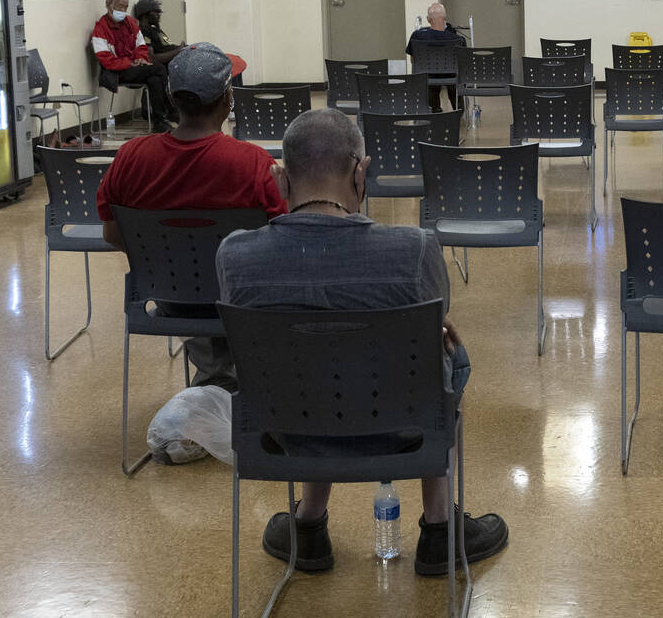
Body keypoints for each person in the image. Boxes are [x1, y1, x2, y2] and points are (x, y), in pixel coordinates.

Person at [216, 108, 508, 576]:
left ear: (279, 179)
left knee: (304, 358)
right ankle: (438, 530)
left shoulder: (234, 255)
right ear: (361, 172)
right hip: (402, 429)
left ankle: (308, 525)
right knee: (444, 352)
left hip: (287, 431)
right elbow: (432, 318)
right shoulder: (415, 249)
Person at [97, 42, 287, 392]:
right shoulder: (253, 162)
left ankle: (215, 380)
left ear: (170, 96)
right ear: (228, 99)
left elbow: (112, 233)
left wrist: (170, 265)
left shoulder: (131, 157)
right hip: (241, 301)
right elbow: (281, 237)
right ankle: (235, 384)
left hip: (170, 298)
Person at [91, 0, 177, 132]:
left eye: (126, 7)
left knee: (155, 79)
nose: (123, 10)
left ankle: (159, 121)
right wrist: (129, 63)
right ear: (108, 5)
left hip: (135, 67)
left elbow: (141, 46)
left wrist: (140, 58)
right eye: (119, 6)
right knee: (159, 69)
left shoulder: (130, 23)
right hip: (116, 72)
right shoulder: (100, 29)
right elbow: (106, 61)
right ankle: (170, 112)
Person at [406, 2, 465, 113]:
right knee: (454, 75)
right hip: (451, 76)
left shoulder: (417, 36)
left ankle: (434, 109)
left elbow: (413, 60)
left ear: (428, 19)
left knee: (428, 74)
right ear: (445, 18)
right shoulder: (458, 39)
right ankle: (459, 110)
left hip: (428, 76)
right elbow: (462, 62)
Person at [134, 0, 186, 67]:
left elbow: (169, 46)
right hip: (173, 66)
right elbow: (151, 58)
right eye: (155, 12)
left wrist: (183, 48)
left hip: (181, 57)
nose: (159, 15)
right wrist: (179, 50)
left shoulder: (157, 30)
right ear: (145, 15)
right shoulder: (144, 33)